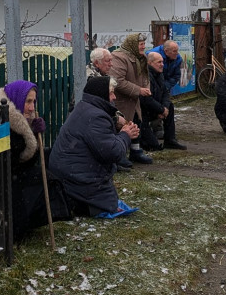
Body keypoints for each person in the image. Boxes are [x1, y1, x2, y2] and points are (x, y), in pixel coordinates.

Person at [0, 80, 71, 241]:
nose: (32, 107)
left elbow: (26, 161)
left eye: (34, 101)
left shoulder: (20, 122)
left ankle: (26, 223)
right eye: (28, 101)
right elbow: (11, 163)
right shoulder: (0, 121)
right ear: (16, 98)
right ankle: (11, 226)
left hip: (10, 176)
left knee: (49, 179)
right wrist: (30, 134)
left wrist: (32, 134)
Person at [48, 76, 139, 217]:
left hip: (68, 174)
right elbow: (113, 152)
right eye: (111, 93)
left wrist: (116, 124)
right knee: (108, 205)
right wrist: (125, 135)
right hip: (78, 178)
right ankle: (78, 206)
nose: (114, 97)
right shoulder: (96, 117)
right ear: (102, 94)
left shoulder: (85, 108)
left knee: (108, 201)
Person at [109, 34, 153, 164]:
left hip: (133, 100)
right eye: (141, 44)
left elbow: (145, 76)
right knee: (120, 126)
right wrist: (138, 90)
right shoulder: (119, 57)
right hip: (121, 100)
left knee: (135, 124)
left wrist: (146, 87)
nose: (143, 46)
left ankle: (136, 152)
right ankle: (120, 155)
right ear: (133, 44)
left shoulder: (140, 57)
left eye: (144, 44)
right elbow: (118, 81)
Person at [86, 45, 132, 167]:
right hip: (91, 118)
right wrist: (116, 118)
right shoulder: (91, 79)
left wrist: (119, 116)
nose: (111, 64)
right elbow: (101, 105)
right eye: (108, 61)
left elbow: (109, 104)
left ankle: (118, 157)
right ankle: (114, 158)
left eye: (111, 60)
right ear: (97, 63)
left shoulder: (102, 76)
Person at [142, 51, 187, 150]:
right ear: (150, 63)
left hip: (157, 107)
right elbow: (146, 100)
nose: (162, 64)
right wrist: (161, 109)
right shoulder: (146, 77)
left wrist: (165, 107)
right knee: (153, 146)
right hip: (144, 112)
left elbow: (165, 92)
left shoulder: (160, 75)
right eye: (159, 62)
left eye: (162, 62)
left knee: (170, 106)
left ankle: (170, 140)